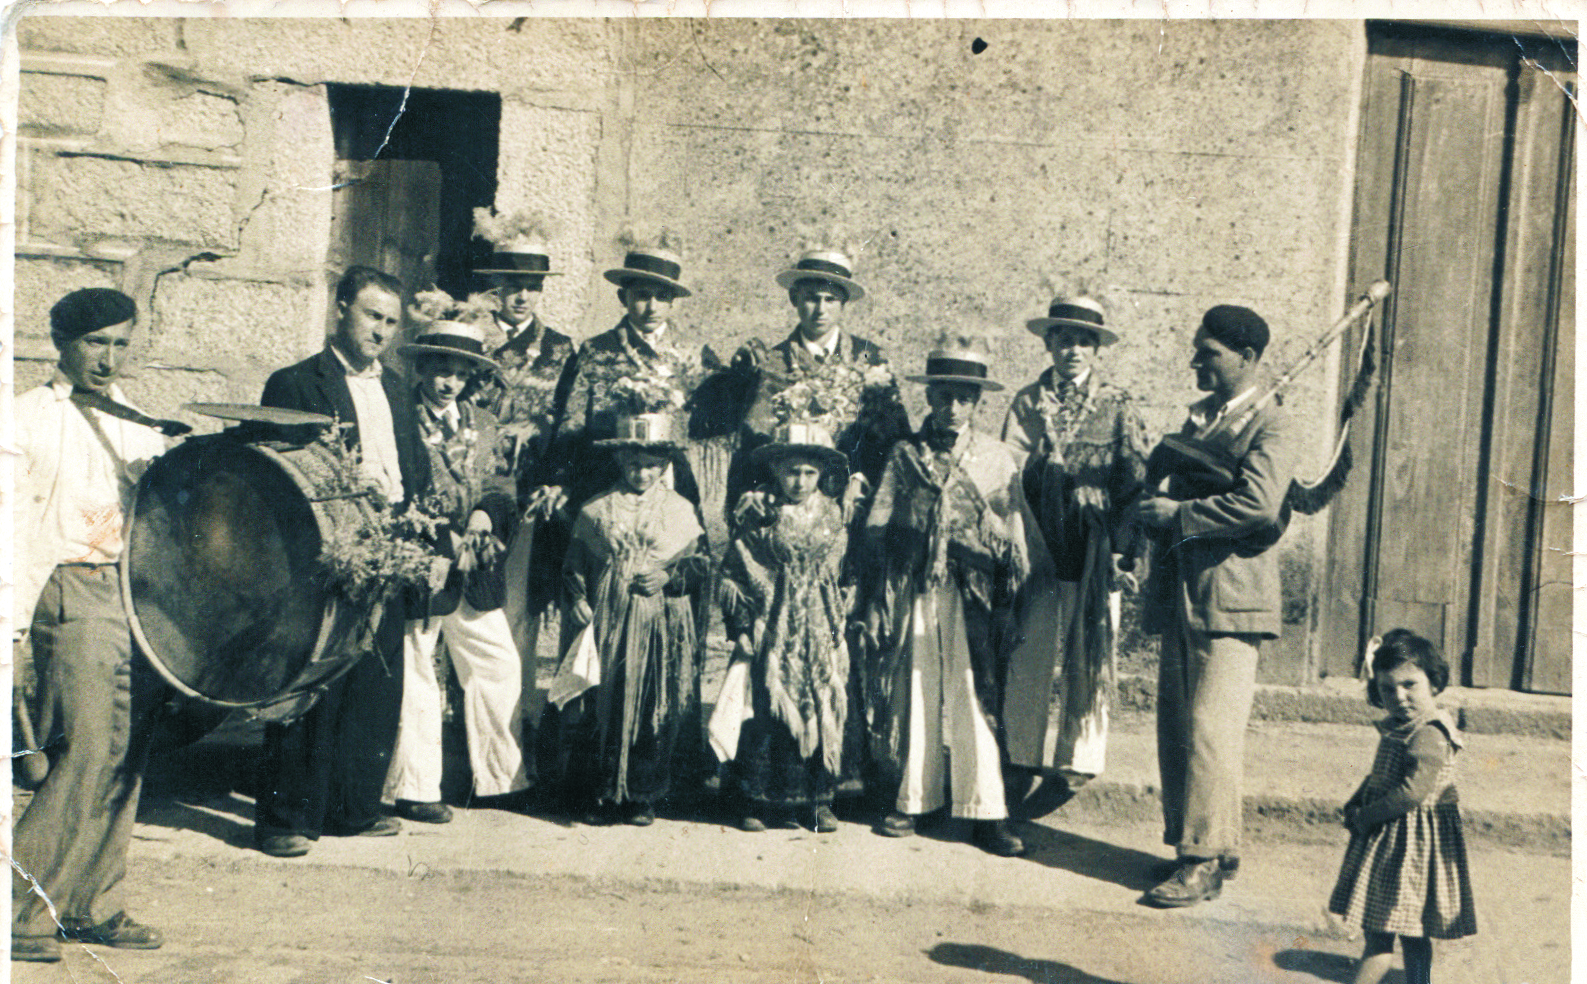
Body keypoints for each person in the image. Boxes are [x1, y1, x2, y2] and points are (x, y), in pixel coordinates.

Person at [11, 289, 175, 961]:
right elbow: (10, 532)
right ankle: (20, 912)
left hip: (129, 596)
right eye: (95, 343)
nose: (108, 359)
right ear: (62, 342)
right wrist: (13, 631)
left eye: (120, 344)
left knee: (128, 754)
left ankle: (91, 904)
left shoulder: (134, 418)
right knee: (83, 751)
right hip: (66, 589)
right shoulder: (21, 419)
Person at [253, 265, 432, 858]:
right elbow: (277, 473)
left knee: (374, 685)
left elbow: (416, 470)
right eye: (370, 315)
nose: (380, 330)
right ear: (341, 308)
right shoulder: (296, 383)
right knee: (310, 681)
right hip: (324, 553)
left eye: (390, 322)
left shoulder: (399, 389)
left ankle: (351, 810)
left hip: (388, 550)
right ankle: (285, 816)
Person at [1126, 304, 1295, 907]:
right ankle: (1212, 848)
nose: (1196, 360)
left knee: (1209, 732)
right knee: (1180, 729)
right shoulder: (1205, 421)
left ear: (1247, 359)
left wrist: (1180, 516)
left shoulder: (1269, 424)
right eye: (1198, 348)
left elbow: (1260, 506)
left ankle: (1198, 862)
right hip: (1184, 594)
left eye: (1210, 352)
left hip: (1232, 599)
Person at [856, 337, 1027, 857]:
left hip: (973, 589)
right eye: (944, 396)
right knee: (918, 686)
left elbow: (1013, 533)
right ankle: (915, 798)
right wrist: (881, 586)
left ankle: (986, 809)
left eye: (965, 398)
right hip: (917, 585)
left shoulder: (999, 459)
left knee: (976, 691)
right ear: (929, 398)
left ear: (978, 402)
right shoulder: (906, 455)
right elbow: (879, 522)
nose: (953, 408)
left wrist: (1005, 585)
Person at [1000, 295, 1150, 814]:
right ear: (1048, 343)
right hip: (1040, 547)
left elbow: (1135, 482)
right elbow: (1007, 469)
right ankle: (1019, 757)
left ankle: (1077, 764)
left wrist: (1123, 551)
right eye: (1063, 339)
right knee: (1028, 653)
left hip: (1093, 549)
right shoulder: (1026, 402)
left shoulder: (1118, 404)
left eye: (1083, 340)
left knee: (1090, 653)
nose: (1073, 350)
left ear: (1096, 349)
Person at [383, 296, 531, 823]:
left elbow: (501, 485)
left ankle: (498, 777)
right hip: (426, 560)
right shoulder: (401, 416)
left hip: (477, 564)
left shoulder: (485, 424)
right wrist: (436, 532)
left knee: (498, 662)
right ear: (423, 368)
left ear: (472, 375)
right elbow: (394, 485)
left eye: (459, 372)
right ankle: (417, 787)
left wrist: (487, 516)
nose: (448, 381)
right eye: (439, 369)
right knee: (419, 668)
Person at [545, 412, 712, 826]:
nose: (642, 473)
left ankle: (641, 793)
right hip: (608, 622)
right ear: (620, 462)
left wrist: (668, 575)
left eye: (652, 465)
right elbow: (575, 564)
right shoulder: (597, 510)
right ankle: (599, 793)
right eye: (634, 464)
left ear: (664, 468)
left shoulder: (679, 510)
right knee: (602, 702)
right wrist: (579, 598)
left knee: (651, 701)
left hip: (658, 622)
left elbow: (699, 565)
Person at [714, 422, 858, 834]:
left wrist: (843, 603)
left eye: (809, 472)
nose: (799, 481)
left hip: (817, 622)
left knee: (822, 701)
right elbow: (736, 571)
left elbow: (844, 567)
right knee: (764, 710)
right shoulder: (757, 513)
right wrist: (741, 624)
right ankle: (754, 799)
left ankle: (818, 801)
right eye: (791, 471)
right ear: (775, 469)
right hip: (770, 624)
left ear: (821, 474)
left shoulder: (832, 513)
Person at [1328, 630, 1475, 984]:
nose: (1399, 696)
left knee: (1390, 935)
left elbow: (1411, 792)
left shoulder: (1429, 732)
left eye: (1410, 684)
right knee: (1403, 929)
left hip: (1413, 845)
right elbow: (1381, 776)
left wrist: (1366, 815)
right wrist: (1357, 800)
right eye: (1387, 689)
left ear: (1435, 683)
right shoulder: (1398, 726)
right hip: (1392, 841)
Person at [730, 249, 910, 524]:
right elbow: (754, 440)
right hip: (787, 497)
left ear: (843, 304)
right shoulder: (772, 363)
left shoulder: (869, 358)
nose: (820, 310)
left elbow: (891, 436)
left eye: (830, 300)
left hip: (852, 499)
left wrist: (860, 476)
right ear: (794, 298)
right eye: (811, 298)